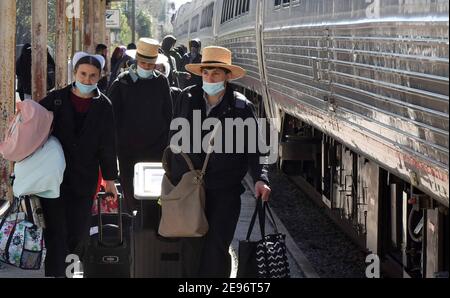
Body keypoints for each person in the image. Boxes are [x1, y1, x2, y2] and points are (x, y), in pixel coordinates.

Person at [168, 46, 271, 278]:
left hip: (225, 191)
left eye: (216, 73)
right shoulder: (187, 98)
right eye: (206, 73)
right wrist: (175, 179)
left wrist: (260, 178)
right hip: (189, 189)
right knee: (190, 246)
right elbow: (173, 140)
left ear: (226, 76)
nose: (210, 78)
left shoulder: (241, 107)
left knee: (217, 246)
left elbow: (257, 148)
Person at [38, 52, 118, 277]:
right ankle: (56, 273)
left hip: (85, 179)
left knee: (78, 233)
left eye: (93, 76)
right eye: (83, 74)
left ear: (99, 77)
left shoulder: (104, 105)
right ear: (74, 73)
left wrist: (110, 180)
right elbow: (34, 125)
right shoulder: (55, 99)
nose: (87, 79)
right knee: (56, 231)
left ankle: (72, 272)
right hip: (53, 180)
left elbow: (108, 145)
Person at [108, 38, 173, 215]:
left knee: (153, 195)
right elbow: (111, 118)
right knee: (132, 193)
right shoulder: (121, 83)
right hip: (128, 151)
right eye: (142, 62)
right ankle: (133, 228)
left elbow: (168, 114)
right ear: (136, 60)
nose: (146, 67)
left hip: (156, 150)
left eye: (150, 64)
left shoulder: (161, 82)